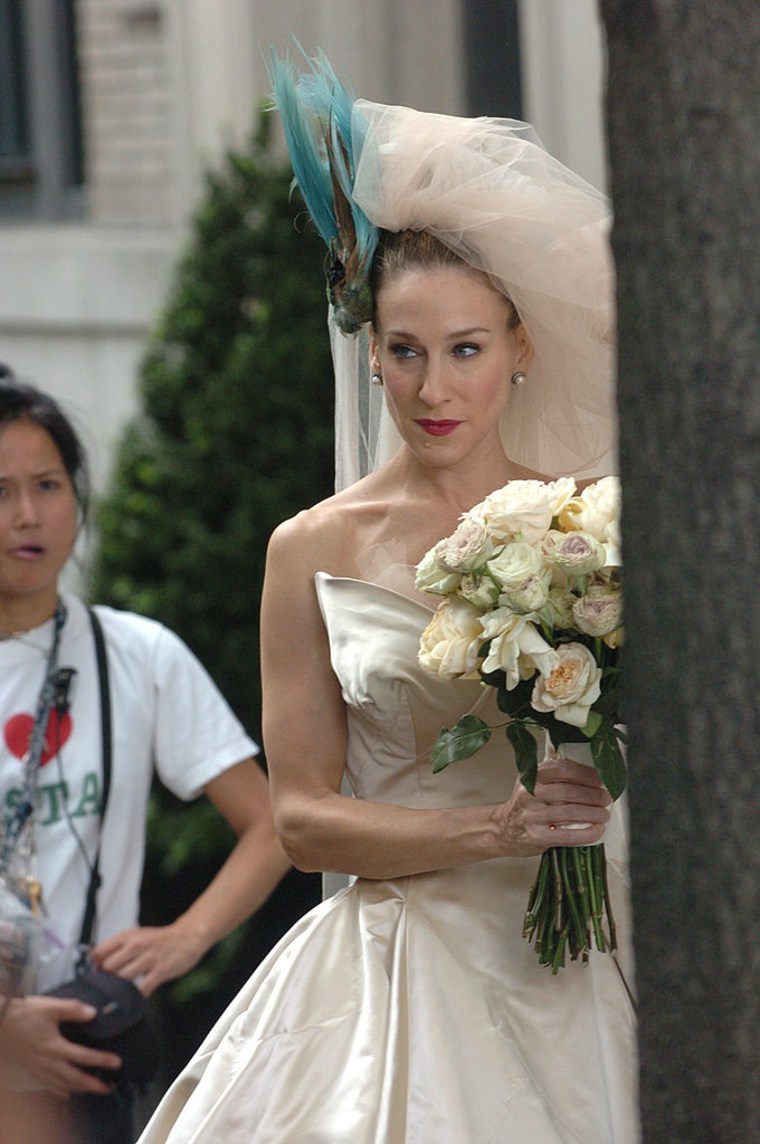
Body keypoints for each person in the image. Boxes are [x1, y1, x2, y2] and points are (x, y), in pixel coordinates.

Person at [136, 53, 639, 1143]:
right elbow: (304, 816)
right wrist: (494, 827)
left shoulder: (590, 525)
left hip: (586, 952)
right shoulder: (309, 546)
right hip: (396, 955)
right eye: (403, 351)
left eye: (463, 348)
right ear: (369, 356)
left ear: (519, 350)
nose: (431, 386)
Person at [0, 372, 292, 1144]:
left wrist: (187, 936)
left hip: (85, 1068)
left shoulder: (136, 656)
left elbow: (272, 824)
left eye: (47, 485)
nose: (25, 515)